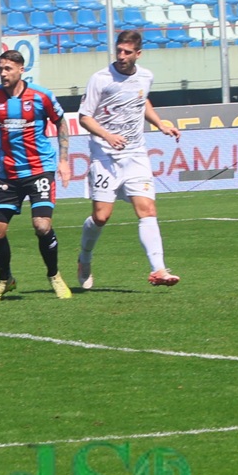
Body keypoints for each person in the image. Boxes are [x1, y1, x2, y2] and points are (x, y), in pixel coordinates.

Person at [76, 32, 182, 292]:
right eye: (119, 51)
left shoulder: (145, 76)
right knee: (101, 216)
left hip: (136, 154)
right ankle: (84, 258)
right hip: (105, 155)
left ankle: (159, 268)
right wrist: (108, 136)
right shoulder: (101, 79)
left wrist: (160, 123)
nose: (121, 56)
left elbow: (141, 99)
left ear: (138, 54)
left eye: (127, 52)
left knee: (147, 210)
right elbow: (84, 117)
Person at [0, 50, 72, 303]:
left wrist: (63, 160)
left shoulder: (41, 96)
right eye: (1, 69)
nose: (3, 73)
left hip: (39, 169)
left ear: (21, 70)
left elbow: (61, 122)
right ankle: (5, 280)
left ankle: (54, 275)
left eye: (8, 69)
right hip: (9, 174)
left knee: (42, 225)